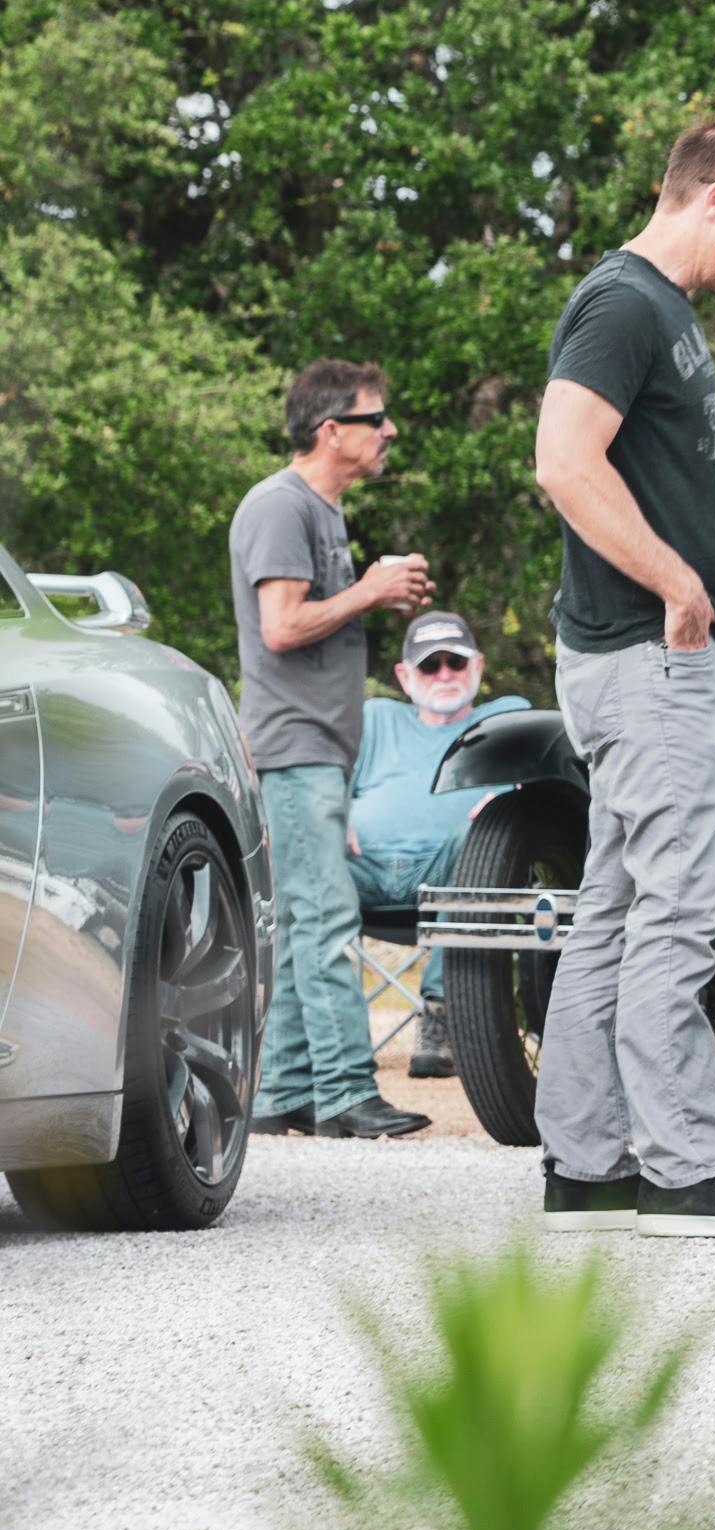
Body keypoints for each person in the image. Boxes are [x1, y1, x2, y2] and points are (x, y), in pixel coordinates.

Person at [529, 114, 715, 1239]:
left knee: (617, 905)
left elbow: (636, 469)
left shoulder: (661, 312)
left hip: (638, 656)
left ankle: (585, 1165)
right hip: (654, 657)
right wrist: (680, 586)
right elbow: (562, 459)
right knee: (678, 907)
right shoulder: (624, 301)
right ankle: (686, 1169)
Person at [230, 360, 435, 1141]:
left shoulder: (321, 510)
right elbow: (282, 626)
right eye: (374, 419)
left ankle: (281, 1093)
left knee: (298, 921)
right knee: (325, 917)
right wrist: (372, 592)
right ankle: (349, 1091)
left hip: (315, 745)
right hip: (294, 744)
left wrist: (373, 595)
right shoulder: (281, 508)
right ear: (330, 431)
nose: (388, 433)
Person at [346, 611, 531, 1079]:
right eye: (430, 666)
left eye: (456, 661)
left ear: (479, 666)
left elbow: (533, 786)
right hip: (358, 870)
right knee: (305, 850)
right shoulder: (376, 718)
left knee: (475, 838)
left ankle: (440, 1014)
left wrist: (503, 801)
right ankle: (325, 1034)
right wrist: (333, 814)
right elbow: (330, 784)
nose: (445, 674)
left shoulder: (506, 716)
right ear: (405, 677)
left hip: (455, 874)